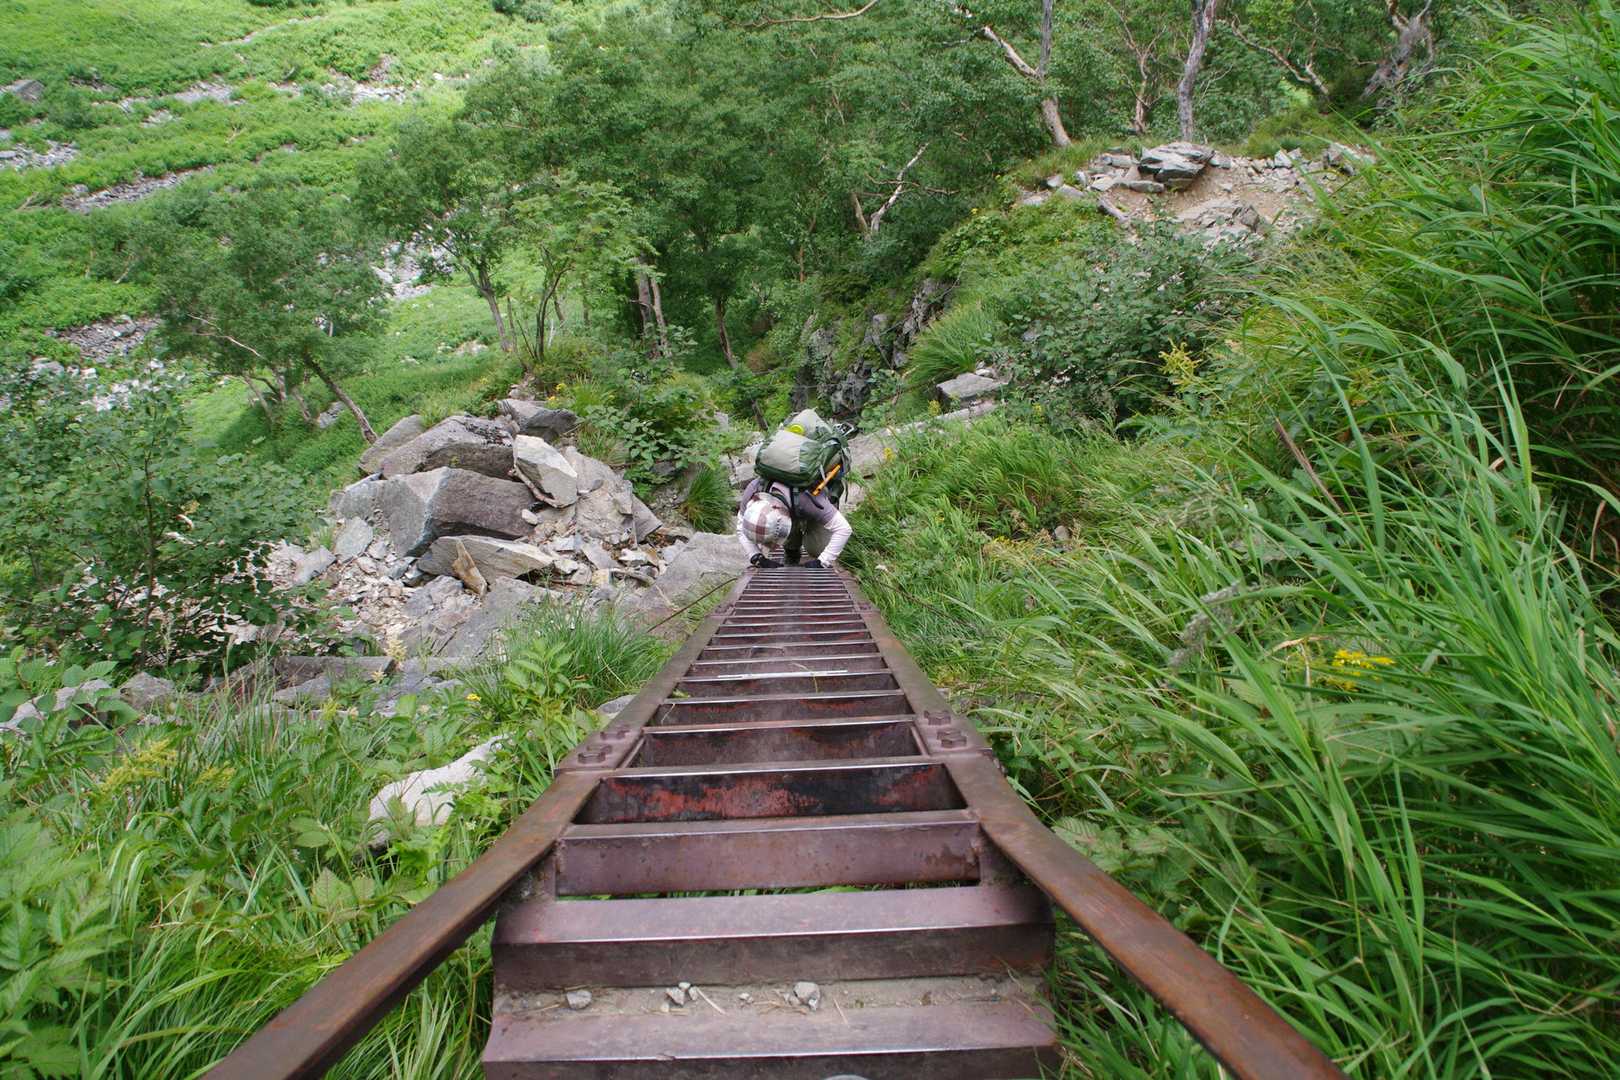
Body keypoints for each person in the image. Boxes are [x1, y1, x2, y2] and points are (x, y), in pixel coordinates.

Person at [735, 476, 852, 569]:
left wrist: (822, 562)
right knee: (788, 534)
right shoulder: (753, 491)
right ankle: (792, 550)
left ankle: (808, 539)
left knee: (818, 549)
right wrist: (756, 556)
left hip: (817, 502)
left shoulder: (808, 500)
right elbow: (741, 526)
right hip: (793, 506)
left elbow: (843, 529)